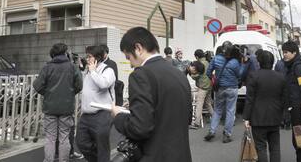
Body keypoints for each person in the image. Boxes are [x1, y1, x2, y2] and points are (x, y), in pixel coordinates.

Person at [111, 27, 192, 162]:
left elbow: (139, 128)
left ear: (138, 48)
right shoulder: (179, 74)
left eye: (128, 57)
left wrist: (118, 116)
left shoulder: (140, 75)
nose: (130, 64)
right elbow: (186, 117)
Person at [33, 43, 83, 162]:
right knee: (64, 137)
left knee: (50, 138)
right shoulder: (72, 67)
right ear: (65, 53)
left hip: (50, 108)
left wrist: (48, 93)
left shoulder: (47, 67)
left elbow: (37, 85)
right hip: (66, 108)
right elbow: (79, 86)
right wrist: (69, 93)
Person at [243, 50, 287, 162]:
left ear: (259, 62)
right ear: (272, 62)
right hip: (275, 116)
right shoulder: (281, 77)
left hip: (258, 117)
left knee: (261, 147)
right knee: (275, 147)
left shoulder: (253, 76)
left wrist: (246, 117)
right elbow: (284, 99)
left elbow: (250, 99)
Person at [76, 45, 116, 162]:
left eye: (89, 57)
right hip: (86, 114)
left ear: (97, 58)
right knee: (81, 142)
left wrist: (93, 71)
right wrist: (84, 70)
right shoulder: (89, 71)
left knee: (102, 146)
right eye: (87, 57)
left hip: (102, 114)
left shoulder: (108, 70)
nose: (87, 59)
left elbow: (104, 84)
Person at [204, 41, 247, 143]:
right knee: (230, 111)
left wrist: (214, 79)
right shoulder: (235, 62)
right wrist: (243, 63)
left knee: (218, 110)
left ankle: (212, 131)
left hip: (220, 88)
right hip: (232, 88)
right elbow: (240, 75)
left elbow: (208, 72)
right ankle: (227, 134)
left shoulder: (216, 59)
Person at [282, 41, 301, 162]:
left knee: (300, 141)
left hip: (300, 109)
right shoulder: (293, 65)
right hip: (296, 107)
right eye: (283, 52)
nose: (284, 55)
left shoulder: (299, 67)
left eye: (286, 52)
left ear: (294, 52)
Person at [189, 50, 214, 129]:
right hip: (209, 86)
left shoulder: (199, 64)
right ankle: (215, 118)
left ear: (197, 56)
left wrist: (191, 75)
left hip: (202, 87)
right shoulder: (208, 62)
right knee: (208, 103)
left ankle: (196, 123)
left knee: (199, 104)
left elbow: (196, 75)